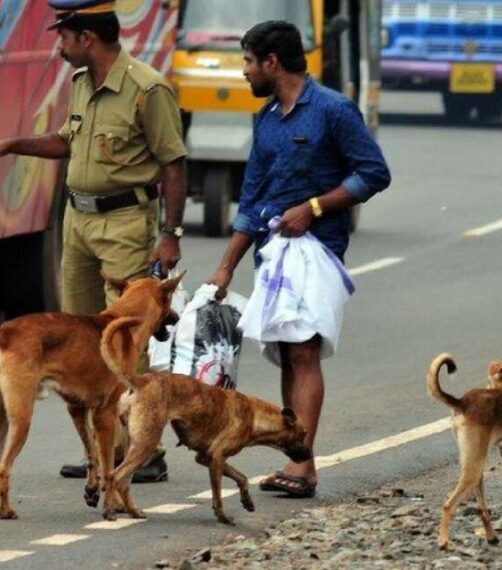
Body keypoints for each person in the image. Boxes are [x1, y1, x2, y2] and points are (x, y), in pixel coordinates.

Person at [0, 0, 187, 483]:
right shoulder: (82, 83)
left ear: (88, 38)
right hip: (78, 220)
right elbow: (68, 142)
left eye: (64, 35)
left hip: (126, 219)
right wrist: (9, 146)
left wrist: (170, 233)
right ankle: (100, 452)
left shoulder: (148, 88)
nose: (58, 45)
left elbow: (173, 163)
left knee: (126, 339)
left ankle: (140, 452)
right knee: (83, 335)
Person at [206, 21, 391, 498]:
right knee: (289, 353)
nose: (244, 71)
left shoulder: (333, 109)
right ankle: (296, 455)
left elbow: (373, 173)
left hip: (320, 250)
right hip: (273, 253)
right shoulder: (266, 119)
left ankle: (305, 466)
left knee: (305, 349)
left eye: (248, 61)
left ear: (272, 63)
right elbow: (251, 199)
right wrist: (226, 266)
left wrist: (313, 208)